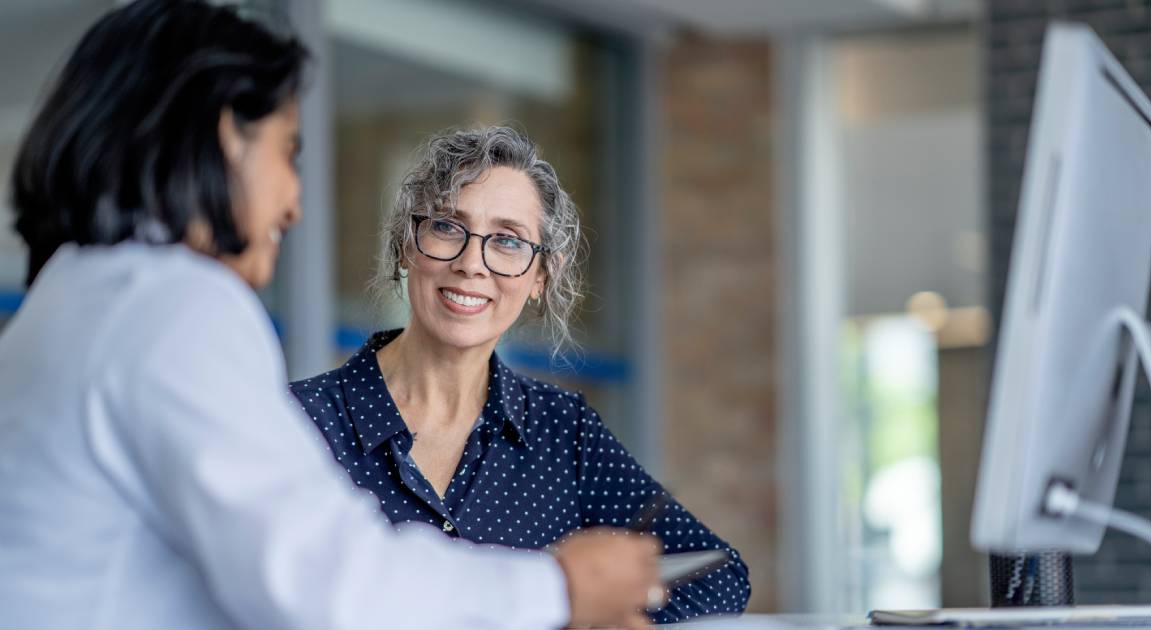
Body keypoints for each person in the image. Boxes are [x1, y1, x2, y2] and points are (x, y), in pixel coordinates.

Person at [0, 2, 662, 629]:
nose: (294, 204)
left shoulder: (69, 300)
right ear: (230, 137)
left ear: (543, 275)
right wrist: (560, 587)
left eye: (509, 241)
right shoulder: (175, 307)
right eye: (287, 152)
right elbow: (331, 588)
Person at [289, 126, 752, 624]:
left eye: (507, 241)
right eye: (447, 227)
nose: (472, 264)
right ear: (408, 244)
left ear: (540, 278)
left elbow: (720, 574)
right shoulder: (298, 422)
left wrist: (598, 614)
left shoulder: (564, 432)